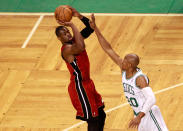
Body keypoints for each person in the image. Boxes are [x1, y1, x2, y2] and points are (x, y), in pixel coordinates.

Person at [90, 14, 168, 131]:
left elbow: (151, 99)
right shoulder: (124, 69)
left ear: (130, 65)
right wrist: (95, 28)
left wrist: (139, 116)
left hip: (149, 114)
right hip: (139, 115)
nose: (122, 62)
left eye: (125, 61)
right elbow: (108, 49)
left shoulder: (139, 79)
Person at [55, 7, 106, 131]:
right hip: (80, 87)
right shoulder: (67, 49)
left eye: (67, 32)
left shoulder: (74, 40)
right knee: (93, 120)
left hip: (88, 83)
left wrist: (79, 15)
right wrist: (72, 25)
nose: (68, 34)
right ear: (59, 39)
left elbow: (90, 28)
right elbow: (81, 46)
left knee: (101, 114)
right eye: (64, 34)